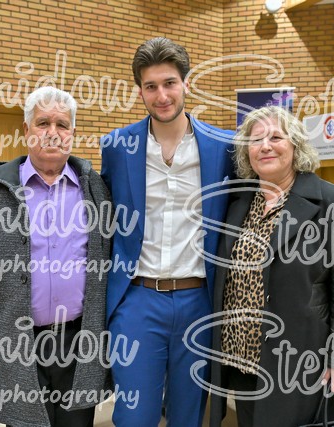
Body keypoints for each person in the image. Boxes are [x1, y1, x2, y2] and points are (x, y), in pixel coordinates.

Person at [0, 87, 111, 427]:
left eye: (62, 124)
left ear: (72, 132)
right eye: (43, 123)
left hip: (78, 341)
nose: (52, 133)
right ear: (26, 130)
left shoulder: (95, 189)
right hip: (16, 343)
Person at [100, 37, 234, 427]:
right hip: (137, 299)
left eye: (170, 83)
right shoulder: (117, 146)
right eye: (151, 86)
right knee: (134, 416)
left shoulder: (223, 147)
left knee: (188, 415)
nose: (162, 96)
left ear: (186, 83)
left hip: (199, 300)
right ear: (139, 90)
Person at [209, 105, 334, 427]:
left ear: (295, 146)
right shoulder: (238, 202)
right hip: (241, 357)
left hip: (299, 356)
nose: (265, 146)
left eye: (276, 138)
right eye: (256, 140)